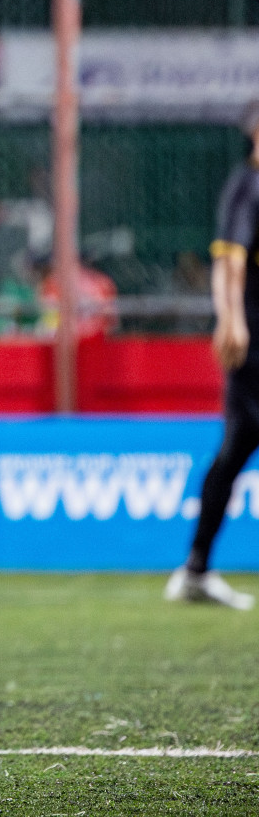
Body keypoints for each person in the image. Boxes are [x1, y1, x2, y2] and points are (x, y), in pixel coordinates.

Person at [165, 107, 259, 611]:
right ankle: (196, 569)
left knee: (235, 451)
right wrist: (231, 319)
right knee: (234, 450)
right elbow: (228, 262)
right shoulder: (248, 186)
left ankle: (196, 569)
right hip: (253, 348)